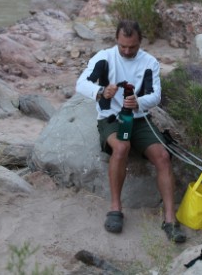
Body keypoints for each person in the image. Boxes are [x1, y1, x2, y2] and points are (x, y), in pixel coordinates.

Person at [75, 19, 186, 243]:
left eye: (132, 47)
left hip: (140, 119)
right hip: (111, 118)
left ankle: (170, 219)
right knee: (122, 147)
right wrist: (101, 91)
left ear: (140, 42)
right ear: (116, 40)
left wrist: (139, 102)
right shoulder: (104, 57)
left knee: (163, 157)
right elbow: (80, 84)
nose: (126, 51)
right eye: (122, 46)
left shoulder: (150, 62)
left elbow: (155, 95)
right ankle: (116, 209)